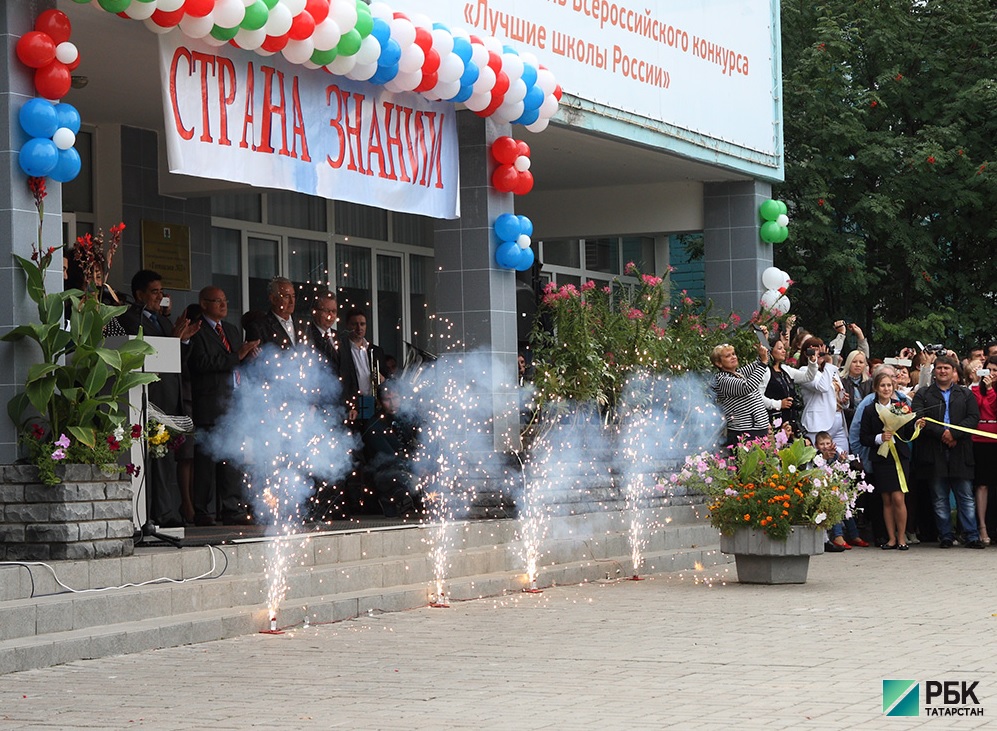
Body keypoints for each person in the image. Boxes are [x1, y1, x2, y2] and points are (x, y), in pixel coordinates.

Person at [117, 270, 199, 528]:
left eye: (161, 291)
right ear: (139, 294)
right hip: (147, 397)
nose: (160, 296)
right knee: (148, 460)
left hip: (168, 397)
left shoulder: (163, 321)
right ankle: (150, 513)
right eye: (154, 291)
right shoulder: (130, 318)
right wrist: (174, 339)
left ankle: (165, 512)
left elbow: (176, 360)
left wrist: (183, 342)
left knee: (164, 458)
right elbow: (144, 353)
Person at [187, 286, 260, 526]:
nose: (223, 305)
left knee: (233, 461)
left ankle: (232, 509)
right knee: (206, 463)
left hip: (233, 404)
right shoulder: (197, 329)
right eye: (217, 301)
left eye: (225, 300)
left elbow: (235, 360)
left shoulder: (230, 329)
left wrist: (248, 357)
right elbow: (200, 362)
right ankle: (203, 511)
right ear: (204, 303)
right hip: (209, 404)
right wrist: (236, 356)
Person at [912, 355, 984, 548]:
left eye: (946, 368)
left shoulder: (965, 394)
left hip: (960, 450)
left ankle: (971, 535)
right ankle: (945, 535)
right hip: (934, 451)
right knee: (939, 497)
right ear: (934, 371)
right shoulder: (924, 394)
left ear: (954, 372)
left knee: (966, 496)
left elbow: (973, 418)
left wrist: (953, 434)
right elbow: (919, 416)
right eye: (939, 368)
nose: (942, 371)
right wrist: (942, 434)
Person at [859, 372, 925, 550]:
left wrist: (917, 425)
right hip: (881, 458)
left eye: (889, 385)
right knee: (886, 499)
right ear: (875, 388)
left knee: (898, 497)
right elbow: (863, 437)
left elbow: (909, 431)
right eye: (882, 386)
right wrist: (879, 437)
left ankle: (902, 537)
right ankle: (891, 538)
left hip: (900, 457)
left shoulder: (901, 407)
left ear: (893, 387)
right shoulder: (869, 410)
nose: (886, 389)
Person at [361, 383, 422, 518]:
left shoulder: (405, 420)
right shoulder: (374, 425)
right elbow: (390, 458)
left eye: (395, 398)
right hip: (383, 473)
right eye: (387, 400)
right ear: (380, 402)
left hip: (405, 467)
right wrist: (416, 468)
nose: (392, 403)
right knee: (402, 478)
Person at [813, 430, 868, 550]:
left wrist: (841, 460)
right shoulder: (815, 456)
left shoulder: (835, 454)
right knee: (835, 504)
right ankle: (838, 536)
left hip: (834, 486)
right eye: (822, 444)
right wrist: (825, 458)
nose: (825, 446)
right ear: (816, 445)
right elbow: (820, 470)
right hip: (820, 488)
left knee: (845, 507)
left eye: (828, 443)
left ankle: (854, 535)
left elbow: (838, 470)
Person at [709, 341, 770, 447]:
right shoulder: (722, 380)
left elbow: (759, 362)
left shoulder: (738, 374)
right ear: (719, 363)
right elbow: (747, 387)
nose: (733, 357)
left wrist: (763, 340)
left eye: (733, 354)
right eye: (728, 356)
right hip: (745, 432)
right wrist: (763, 363)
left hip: (758, 429)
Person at [798, 337, 849, 453]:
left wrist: (844, 401)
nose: (819, 353)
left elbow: (839, 392)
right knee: (820, 459)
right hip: (819, 423)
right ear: (807, 353)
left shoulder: (830, 371)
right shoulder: (804, 371)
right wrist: (829, 363)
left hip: (838, 420)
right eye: (815, 350)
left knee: (844, 458)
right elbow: (822, 387)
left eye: (821, 349)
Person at [340, 306, 388, 427]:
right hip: (353, 405)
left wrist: (382, 379)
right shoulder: (342, 350)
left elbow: (388, 379)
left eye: (362, 324)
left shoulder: (376, 350)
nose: (359, 328)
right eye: (354, 324)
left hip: (374, 403)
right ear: (347, 326)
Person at [969, 356, 997, 545]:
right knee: (982, 484)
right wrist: (983, 388)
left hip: (995, 438)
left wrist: (991, 391)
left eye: (996, 371)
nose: (992, 374)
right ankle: (982, 526)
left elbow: (993, 407)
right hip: (978, 440)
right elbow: (977, 407)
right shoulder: (974, 390)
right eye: (990, 370)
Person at [761, 338, 817, 430]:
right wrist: (778, 404)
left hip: (790, 419)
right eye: (779, 348)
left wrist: (812, 362)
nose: (783, 351)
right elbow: (758, 396)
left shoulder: (786, 369)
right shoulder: (765, 371)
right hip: (773, 420)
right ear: (770, 351)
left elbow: (808, 377)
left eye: (784, 349)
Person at [244, 276, 302, 351]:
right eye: (286, 297)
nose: (292, 302)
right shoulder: (258, 328)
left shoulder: (302, 325)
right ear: (273, 299)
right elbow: (255, 360)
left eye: (293, 296)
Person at [838, 349, 870, 427]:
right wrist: (858, 414)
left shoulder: (870, 382)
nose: (858, 365)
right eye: (854, 362)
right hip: (847, 421)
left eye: (861, 362)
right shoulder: (840, 381)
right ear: (849, 363)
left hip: (867, 421)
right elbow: (840, 406)